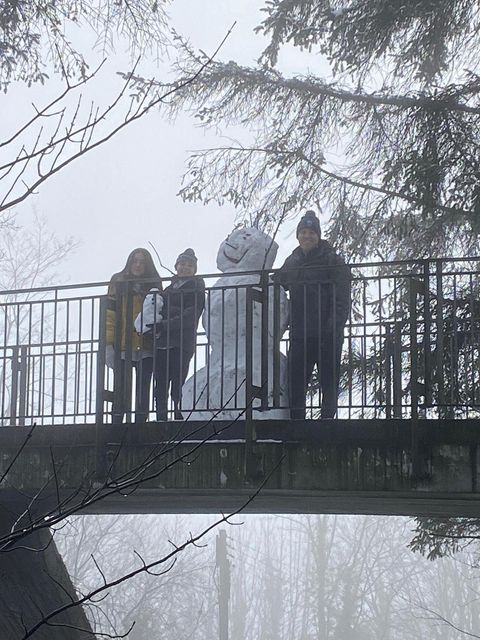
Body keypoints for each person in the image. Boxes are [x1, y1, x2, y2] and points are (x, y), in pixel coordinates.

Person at [277, 210, 351, 419]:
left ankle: (328, 422)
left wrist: (334, 325)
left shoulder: (332, 260)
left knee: (329, 380)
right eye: (303, 232)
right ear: (298, 235)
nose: (307, 236)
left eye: (311, 232)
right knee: (296, 382)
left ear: (318, 236)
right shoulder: (292, 261)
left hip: (327, 332)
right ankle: (297, 424)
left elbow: (342, 297)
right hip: (300, 333)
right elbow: (276, 284)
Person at [106, 248, 162, 423]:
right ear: (129, 262)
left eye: (142, 262)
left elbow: (159, 312)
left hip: (146, 344)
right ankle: (116, 425)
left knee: (143, 388)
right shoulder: (119, 281)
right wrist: (108, 343)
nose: (138, 265)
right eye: (135, 261)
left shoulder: (154, 284)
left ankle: (140, 424)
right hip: (122, 343)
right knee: (121, 387)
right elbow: (109, 314)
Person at [153, 248, 205, 421]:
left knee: (178, 382)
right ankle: (161, 417)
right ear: (176, 266)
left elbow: (191, 314)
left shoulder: (197, 285)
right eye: (182, 264)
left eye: (190, 265)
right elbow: (158, 309)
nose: (185, 268)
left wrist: (166, 323)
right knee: (160, 383)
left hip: (182, 342)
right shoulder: (168, 288)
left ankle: (178, 416)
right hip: (162, 342)